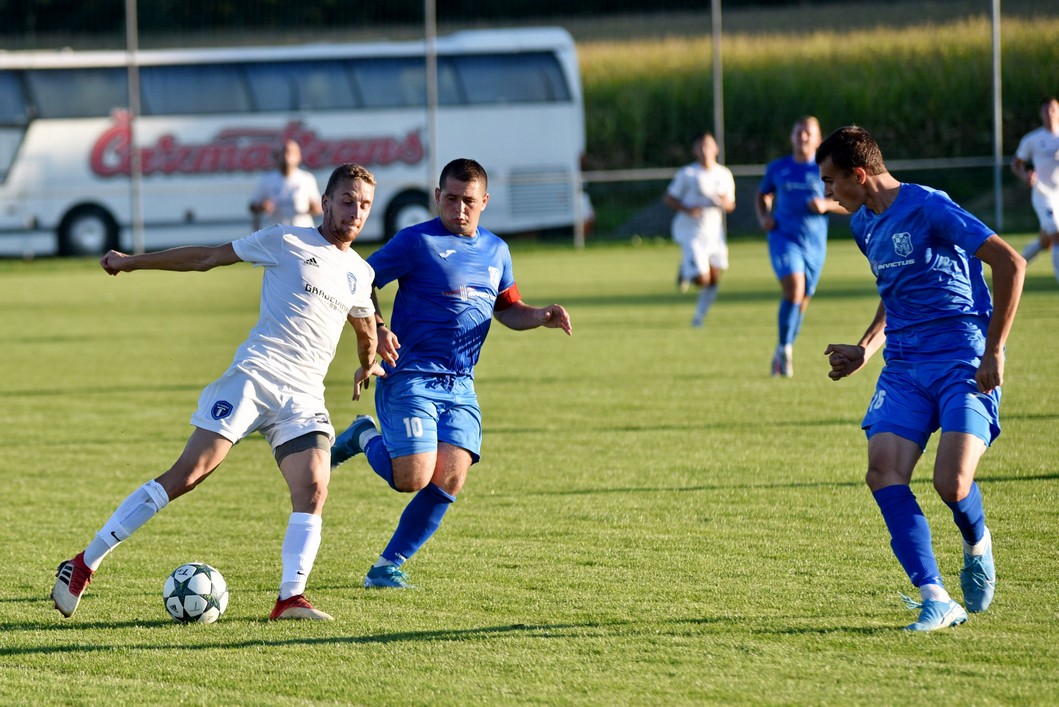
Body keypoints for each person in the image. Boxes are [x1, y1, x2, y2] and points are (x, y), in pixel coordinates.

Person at [51, 163, 385, 621]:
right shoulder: (286, 239)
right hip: (254, 378)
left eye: (364, 204)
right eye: (347, 200)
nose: (355, 211)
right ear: (325, 202)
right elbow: (206, 257)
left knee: (313, 488)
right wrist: (132, 262)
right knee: (187, 475)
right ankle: (83, 565)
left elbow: (364, 323)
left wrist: (368, 362)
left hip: (303, 398)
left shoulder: (360, 272)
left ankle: (290, 598)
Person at [817, 126, 1025, 631]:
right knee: (882, 470)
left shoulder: (930, 206)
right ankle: (935, 596)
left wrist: (994, 350)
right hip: (905, 365)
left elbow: (1010, 262)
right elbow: (896, 290)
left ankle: (976, 541)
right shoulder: (864, 225)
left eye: (830, 181)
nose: (827, 194)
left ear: (859, 175)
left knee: (951, 483)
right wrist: (867, 348)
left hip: (961, 357)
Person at [329, 158, 572, 589]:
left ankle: (386, 567)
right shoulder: (415, 242)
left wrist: (541, 316)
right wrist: (379, 330)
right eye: (452, 198)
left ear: (484, 203)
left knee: (452, 476)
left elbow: (507, 308)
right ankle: (363, 435)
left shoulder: (497, 251)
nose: (460, 208)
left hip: (460, 383)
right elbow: (360, 280)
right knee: (413, 478)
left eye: (469, 201)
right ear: (438, 196)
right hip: (409, 376)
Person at [755, 116, 847, 376]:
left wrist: (826, 205)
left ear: (818, 139)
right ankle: (784, 348)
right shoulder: (778, 168)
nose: (803, 137)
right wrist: (764, 217)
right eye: (799, 132)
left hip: (814, 245)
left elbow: (847, 202)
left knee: (802, 301)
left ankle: (783, 351)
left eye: (808, 133)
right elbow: (762, 195)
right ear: (792, 137)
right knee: (794, 289)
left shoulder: (825, 170)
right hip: (783, 238)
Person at [664, 132, 736, 327]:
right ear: (695, 150)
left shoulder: (724, 174)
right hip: (692, 233)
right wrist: (688, 209)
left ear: (716, 149)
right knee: (702, 279)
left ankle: (698, 318)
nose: (705, 151)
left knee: (714, 280)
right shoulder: (688, 174)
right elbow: (669, 198)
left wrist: (723, 202)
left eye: (709, 146)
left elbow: (731, 205)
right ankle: (686, 271)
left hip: (715, 234)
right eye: (701, 147)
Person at [1011, 96, 1059, 284]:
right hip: (1043, 194)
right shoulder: (1033, 139)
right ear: (1041, 114)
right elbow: (1016, 164)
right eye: (1046, 110)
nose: (1050, 113)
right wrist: (1026, 176)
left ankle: (1016, 264)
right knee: (1056, 235)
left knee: (1044, 242)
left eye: (1053, 109)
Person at [249, 139, 323, 230]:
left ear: (298, 157)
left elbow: (319, 208)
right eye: (283, 153)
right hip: (276, 236)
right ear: (277, 157)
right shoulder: (267, 179)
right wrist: (262, 207)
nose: (286, 157)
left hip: (302, 235)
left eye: (290, 153)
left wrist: (314, 208)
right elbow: (252, 206)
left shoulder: (307, 178)